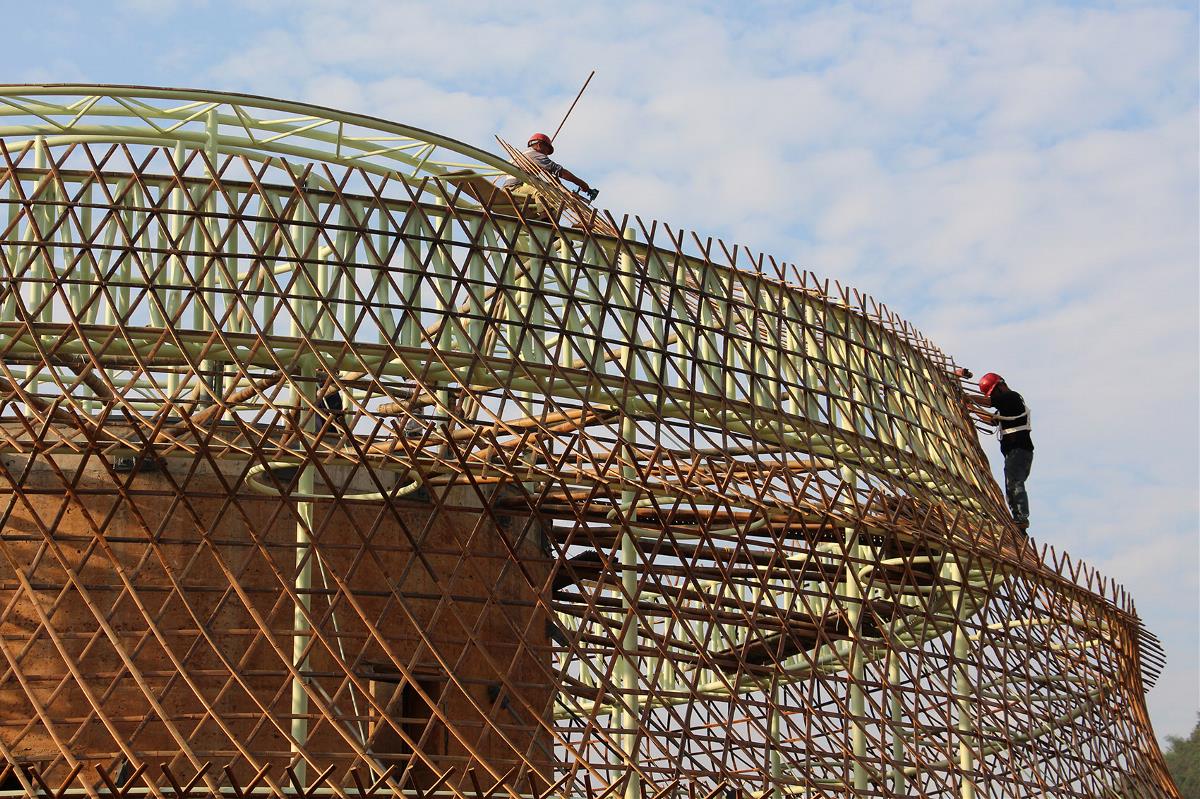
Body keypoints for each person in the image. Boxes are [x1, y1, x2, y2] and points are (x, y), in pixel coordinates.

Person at [978, 372, 1033, 530]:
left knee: (1014, 482)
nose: (994, 396)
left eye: (994, 392)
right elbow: (991, 420)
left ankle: (1021, 518)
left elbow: (989, 402)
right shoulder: (1006, 408)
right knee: (1011, 483)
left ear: (1001, 386)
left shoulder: (1012, 397)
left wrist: (965, 396)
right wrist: (970, 408)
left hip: (1019, 450)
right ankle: (1018, 519)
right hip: (1015, 452)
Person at [501, 133, 595, 215]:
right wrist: (581, 184)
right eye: (547, 150)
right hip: (513, 190)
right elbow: (561, 172)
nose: (546, 155)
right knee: (542, 191)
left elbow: (539, 179)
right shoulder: (535, 155)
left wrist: (556, 185)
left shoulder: (523, 155)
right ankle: (546, 219)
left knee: (552, 192)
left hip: (519, 189)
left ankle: (548, 218)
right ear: (539, 145)